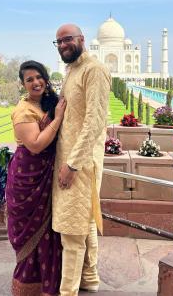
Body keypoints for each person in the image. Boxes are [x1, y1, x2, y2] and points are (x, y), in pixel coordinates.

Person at [52, 24, 111, 295]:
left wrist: (73, 164)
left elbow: (95, 121)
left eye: (67, 39)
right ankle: (90, 278)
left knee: (72, 232)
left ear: (81, 39)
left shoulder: (94, 70)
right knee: (83, 222)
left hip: (80, 164)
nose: (63, 45)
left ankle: (68, 291)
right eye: (59, 42)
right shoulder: (72, 70)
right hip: (68, 160)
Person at [5, 60, 66, 296]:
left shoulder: (47, 102)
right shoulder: (23, 111)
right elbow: (37, 145)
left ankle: (51, 282)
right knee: (31, 230)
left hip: (46, 175)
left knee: (51, 230)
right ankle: (29, 285)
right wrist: (58, 118)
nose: (36, 82)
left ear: (46, 77)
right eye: (29, 79)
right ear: (23, 84)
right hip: (27, 177)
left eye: (39, 76)